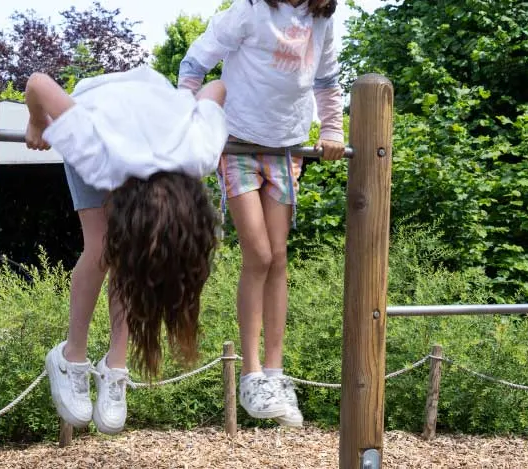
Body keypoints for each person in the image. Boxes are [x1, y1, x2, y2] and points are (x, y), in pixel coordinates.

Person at [23, 65, 228, 435]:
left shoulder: (199, 152)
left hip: (154, 107)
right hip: (99, 108)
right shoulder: (95, 152)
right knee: (103, 246)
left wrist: (185, 106)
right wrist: (37, 122)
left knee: (134, 257)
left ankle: (115, 365)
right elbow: (38, 84)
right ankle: (71, 355)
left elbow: (216, 88)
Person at [177, 0, 346, 428]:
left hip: (286, 147)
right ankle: (251, 373)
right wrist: (185, 115)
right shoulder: (250, 10)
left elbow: (326, 78)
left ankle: (275, 372)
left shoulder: (321, 19)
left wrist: (331, 128)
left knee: (279, 257)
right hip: (238, 144)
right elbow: (197, 58)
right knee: (259, 254)